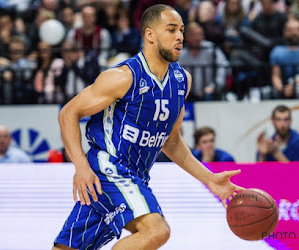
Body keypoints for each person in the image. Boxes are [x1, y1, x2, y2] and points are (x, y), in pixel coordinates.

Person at [53, 4, 244, 250]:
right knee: (157, 231)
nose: (180, 37)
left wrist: (210, 179)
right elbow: (69, 112)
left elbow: (171, 140)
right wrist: (80, 167)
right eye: (171, 30)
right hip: (109, 168)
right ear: (150, 35)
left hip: (135, 178)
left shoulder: (181, 80)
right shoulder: (123, 77)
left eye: (182, 31)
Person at [179, 22, 230, 101]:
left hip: (210, 91)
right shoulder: (181, 53)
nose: (197, 38)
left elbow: (224, 65)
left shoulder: (211, 49)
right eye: (194, 35)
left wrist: (215, 86)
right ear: (186, 37)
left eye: (200, 34)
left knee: (210, 96)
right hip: (188, 93)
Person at [269, 19, 299, 99]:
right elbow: (275, 76)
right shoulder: (277, 51)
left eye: (297, 29)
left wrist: (294, 86)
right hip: (283, 88)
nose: (294, 33)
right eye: (290, 30)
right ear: (285, 32)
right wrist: (281, 89)